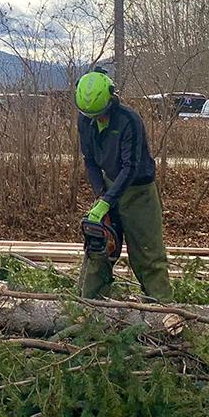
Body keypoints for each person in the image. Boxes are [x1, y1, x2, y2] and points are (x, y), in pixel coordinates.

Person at [75, 70, 174, 302]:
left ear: (111, 100)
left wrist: (108, 200)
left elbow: (130, 167)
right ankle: (90, 307)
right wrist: (101, 196)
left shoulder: (129, 120)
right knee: (99, 247)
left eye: (101, 114)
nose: (97, 119)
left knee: (148, 255)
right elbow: (89, 160)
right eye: (92, 115)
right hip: (109, 184)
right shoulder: (85, 120)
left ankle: (163, 309)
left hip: (139, 191)